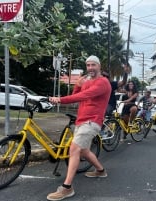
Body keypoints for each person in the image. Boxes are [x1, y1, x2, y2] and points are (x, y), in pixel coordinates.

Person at [47, 55, 111, 201]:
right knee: (84, 150)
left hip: (92, 121)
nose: (90, 68)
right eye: (88, 65)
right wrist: (78, 84)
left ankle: (67, 188)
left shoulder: (103, 83)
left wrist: (60, 100)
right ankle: (101, 171)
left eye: (93, 65)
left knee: (74, 149)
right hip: (81, 120)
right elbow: (76, 96)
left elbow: (84, 95)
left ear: (99, 66)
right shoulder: (87, 81)